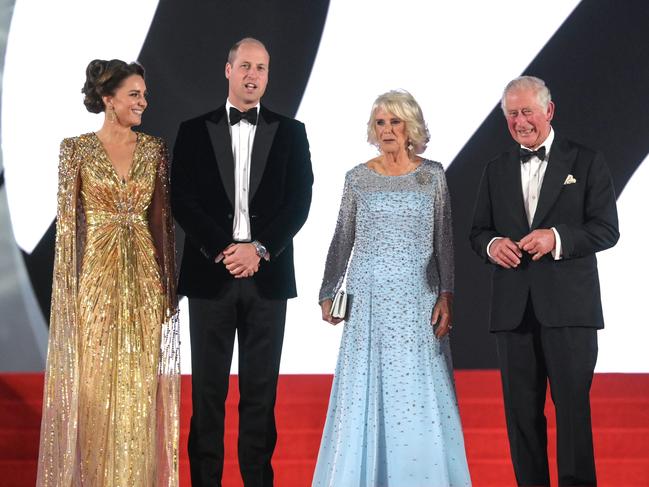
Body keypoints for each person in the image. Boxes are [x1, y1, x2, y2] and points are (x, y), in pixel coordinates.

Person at [171, 37, 313, 487]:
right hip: (211, 275)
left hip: (267, 278)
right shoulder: (194, 129)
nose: (254, 74)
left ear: (268, 76)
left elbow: (299, 202)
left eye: (263, 68)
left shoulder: (293, 132)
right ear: (228, 70)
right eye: (246, 65)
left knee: (260, 397)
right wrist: (225, 248)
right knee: (207, 396)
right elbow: (183, 199)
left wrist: (260, 248)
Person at [313, 90, 471, 486]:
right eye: (380, 122)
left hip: (418, 299)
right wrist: (327, 289)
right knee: (366, 392)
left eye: (395, 122)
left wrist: (447, 295)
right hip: (367, 301)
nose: (387, 130)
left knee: (415, 394)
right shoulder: (358, 179)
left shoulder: (431, 175)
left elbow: (444, 241)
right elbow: (342, 238)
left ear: (411, 127)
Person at [470, 76, 619, 486]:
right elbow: (477, 231)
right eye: (513, 114)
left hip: (570, 310)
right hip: (513, 312)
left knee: (572, 412)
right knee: (521, 416)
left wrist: (557, 238)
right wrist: (492, 245)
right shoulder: (495, 169)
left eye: (527, 112)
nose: (521, 121)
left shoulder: (586, 161)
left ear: (548, 111)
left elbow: (607, 229)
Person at [36, 59, 180, 486]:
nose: (143, 102)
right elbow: (67, 233)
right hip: (95, 285)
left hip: (144, 286)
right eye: (134, 94)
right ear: (107, 98)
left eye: (144, 94)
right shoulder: (74, 149)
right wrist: (68, 294)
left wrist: (168, 289)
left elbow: (160, 224)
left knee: (137, 398)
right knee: (96, 398)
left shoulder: (154, 149)